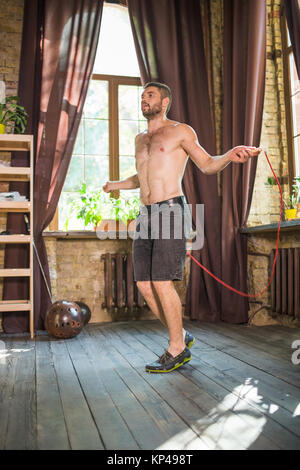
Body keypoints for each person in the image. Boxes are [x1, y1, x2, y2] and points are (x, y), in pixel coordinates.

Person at [103, 82, 261, 373]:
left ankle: (176, 349)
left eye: (149, 96)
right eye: (142, 96)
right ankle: (181, 337)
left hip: (170, 210)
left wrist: (229, 155)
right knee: (144, 285)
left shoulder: (180, 131)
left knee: (162, 282)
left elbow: (206, 164)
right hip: (146, 215)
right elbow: (141, 177)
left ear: (164, 102)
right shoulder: (140, 139)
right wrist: (117, 185)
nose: (143, 100)